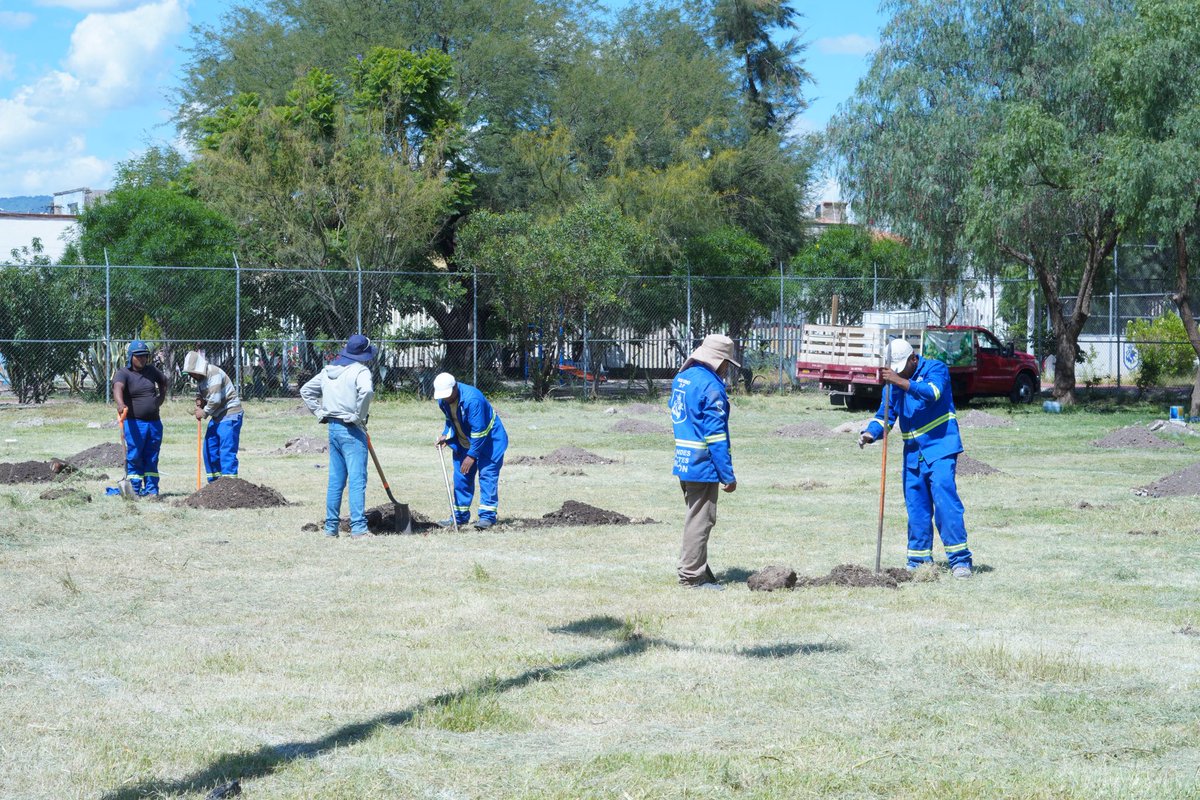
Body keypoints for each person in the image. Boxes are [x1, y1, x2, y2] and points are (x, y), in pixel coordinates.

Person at [859, 339, 973, 578]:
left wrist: (899, 381)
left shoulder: (935, 369)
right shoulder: (892, 385)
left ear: (914, 359)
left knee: (945, 503)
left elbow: (933, 393)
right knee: (916, 508)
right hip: (913, 454)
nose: (899, 373)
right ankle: (919, 560)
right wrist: (871, 433)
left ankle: (960, 561)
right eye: (895, 370)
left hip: (940, 448)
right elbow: (884, 417)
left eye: (902, 368)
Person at [669, 333, 739, 590]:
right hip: (703, 465)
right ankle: (692, 576)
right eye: (727, 364)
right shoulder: (711, 385)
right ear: (719, 361)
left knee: (694, 517)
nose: (726, 369)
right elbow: (716, 434)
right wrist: (727, 475)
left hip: (684, 461)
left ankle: (700, 568)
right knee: (701, 520)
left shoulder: (683, 378)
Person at [300, 335, 375, 539]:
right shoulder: (360, 371)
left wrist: (320, 412)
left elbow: (306, 390)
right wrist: (358, 416)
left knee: (336, 480)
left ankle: (331, 528)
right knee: (357, 479)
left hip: (333, 428)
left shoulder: (328, 370)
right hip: (352, 430)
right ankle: (358, 528)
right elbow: (367, 391)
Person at [433, 372, 508, 529]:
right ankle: (459, 517)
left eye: (448, 395)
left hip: (490, 442)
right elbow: (451, 420)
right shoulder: (443, 401)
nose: (445, 398)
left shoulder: (472, 399)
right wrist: (445, 435)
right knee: (461, 478)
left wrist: (471, 456)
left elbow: (479, 431)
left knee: (487, 476)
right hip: (464, 442)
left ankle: (487, 518)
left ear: (455, 387)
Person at [112, 339, 168, 497]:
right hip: (134, 423)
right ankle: (134, 490)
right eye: (138, 356)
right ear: (131, 356)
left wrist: (160, 399)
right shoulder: (124, 373)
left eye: (144, 356)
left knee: (152, 456)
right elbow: (118, 388)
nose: (142, 359)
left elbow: (164, 381)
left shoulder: (151, 371)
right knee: (135, 456)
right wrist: (120, 403)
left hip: (154, 423)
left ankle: (152, 491)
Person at [183, 351, 244, 482]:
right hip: (217, 416)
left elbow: (215, 400)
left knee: (226, 452)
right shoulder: (200, 379)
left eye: (192, 372)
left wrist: (203, 412)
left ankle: (229, 485)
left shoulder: (213, 373)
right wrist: (200, 399)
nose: (191, 375)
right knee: (209, 451)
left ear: (198, 368)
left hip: (230, 414)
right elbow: (205, 395)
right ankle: (215, 486)